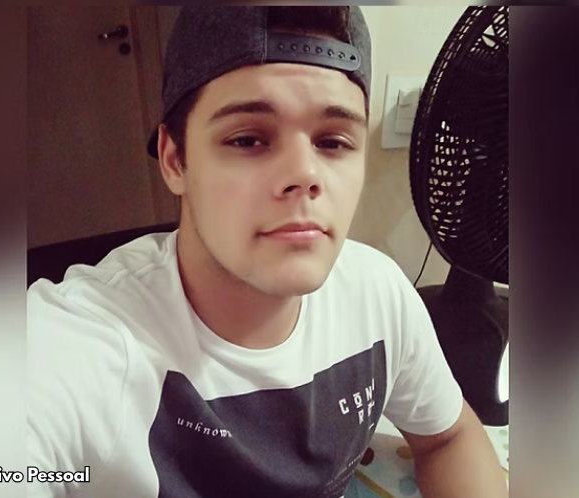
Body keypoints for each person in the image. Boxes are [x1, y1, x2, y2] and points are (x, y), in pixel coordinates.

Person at [27, 6, 508, 498]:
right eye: (248, 139)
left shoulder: (377, 293)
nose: (305, 173)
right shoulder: (74, 348)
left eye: (333, 142)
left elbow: (449, 437)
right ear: (174, 160)